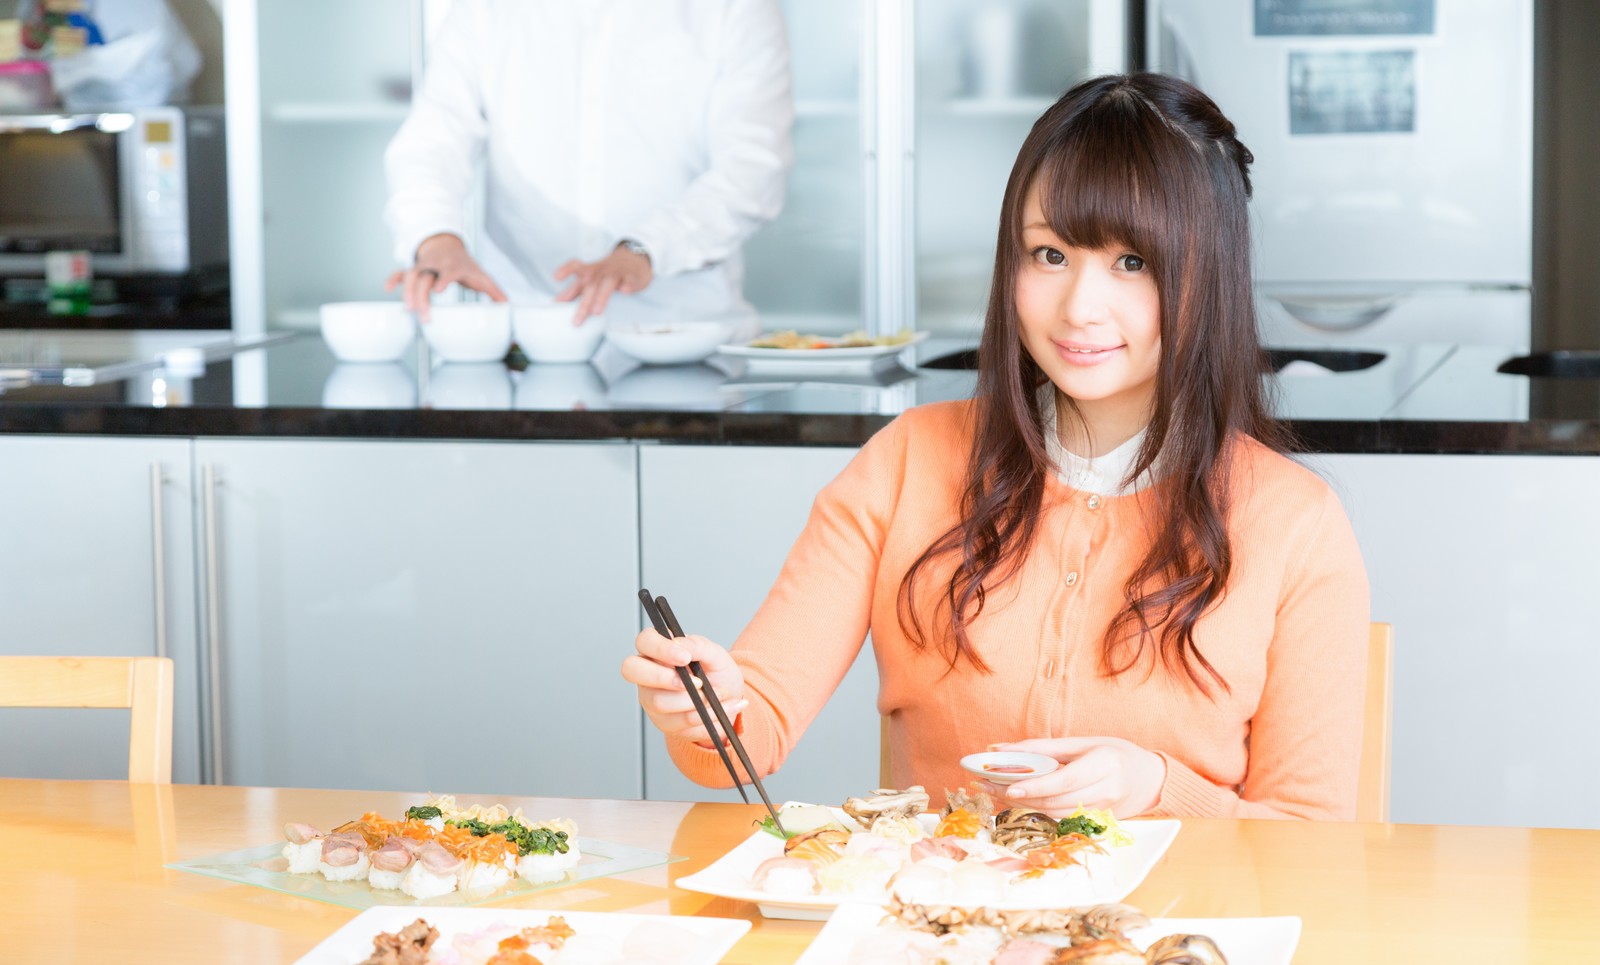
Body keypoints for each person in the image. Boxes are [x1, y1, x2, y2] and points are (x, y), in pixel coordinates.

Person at [621, 73, 1370, 821]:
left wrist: (1157, 787)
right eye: (1049, 254)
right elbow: (749, 733)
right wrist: (707, 703)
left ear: (1208, 275)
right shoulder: (908, 461)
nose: (1079, 307)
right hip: (940, 927)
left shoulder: (1295, 522)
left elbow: (1314, 837)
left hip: (1173, 934)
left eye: (1131, 263)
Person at [382, 0, 793, 328]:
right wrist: (436, 237)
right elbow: (432, 141)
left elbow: (753, 169)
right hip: (524, 334)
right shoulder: (487, 8)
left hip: (684, 335)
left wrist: (645, 249)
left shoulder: (736, 8)